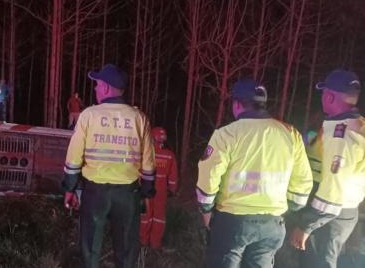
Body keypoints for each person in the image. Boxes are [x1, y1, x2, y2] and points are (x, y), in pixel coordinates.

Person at [196, 78, 313, 268]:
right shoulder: (290, 134)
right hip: (273, 224)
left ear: (237, 104)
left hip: (232, 222)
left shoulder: (227, 133)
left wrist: (206, 209)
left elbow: (208, 178)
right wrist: (290, 207)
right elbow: (302, 184)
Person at [62, 64, 156, 268]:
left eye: (96, 85)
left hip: (95, 193)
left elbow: (74, 157)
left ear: (105, 88)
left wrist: (70, 189)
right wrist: (147, 193)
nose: (95, 89)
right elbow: (148, 162)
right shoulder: (139, 118)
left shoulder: (89, 115)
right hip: (128, 194)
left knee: (91, 249)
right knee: (125, 250)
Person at [290, 69, 365, 268]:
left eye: (324, 93)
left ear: (329, 96)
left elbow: (334, 186)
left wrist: (307, 225)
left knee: (317, 264)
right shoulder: (359, 125)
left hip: (329, 214)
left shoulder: (340, 132)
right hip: (346, 210)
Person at [140, 126, 178, 249]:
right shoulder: (169, 155)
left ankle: (142, 242)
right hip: (161, 191)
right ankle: (155, 244)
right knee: (159, 217)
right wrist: (172, 189)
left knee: (145, 216)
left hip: (145, 188)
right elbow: (173, 175)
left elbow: (137, 171)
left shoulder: (145, 153)